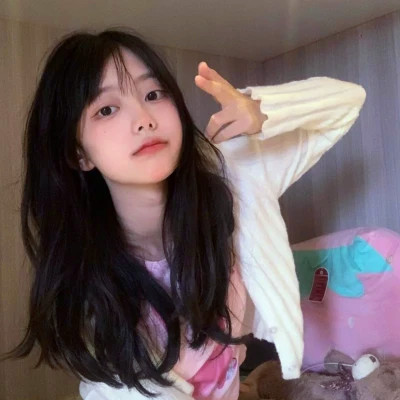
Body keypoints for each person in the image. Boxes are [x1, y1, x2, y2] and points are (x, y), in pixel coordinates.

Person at [1, 28, 366, 400]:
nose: (144, 119)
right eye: (107, 109)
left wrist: (263, 111)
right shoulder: (87, 277)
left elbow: (348, 102)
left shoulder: (234, 178)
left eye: (153, 94)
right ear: (78, 153)